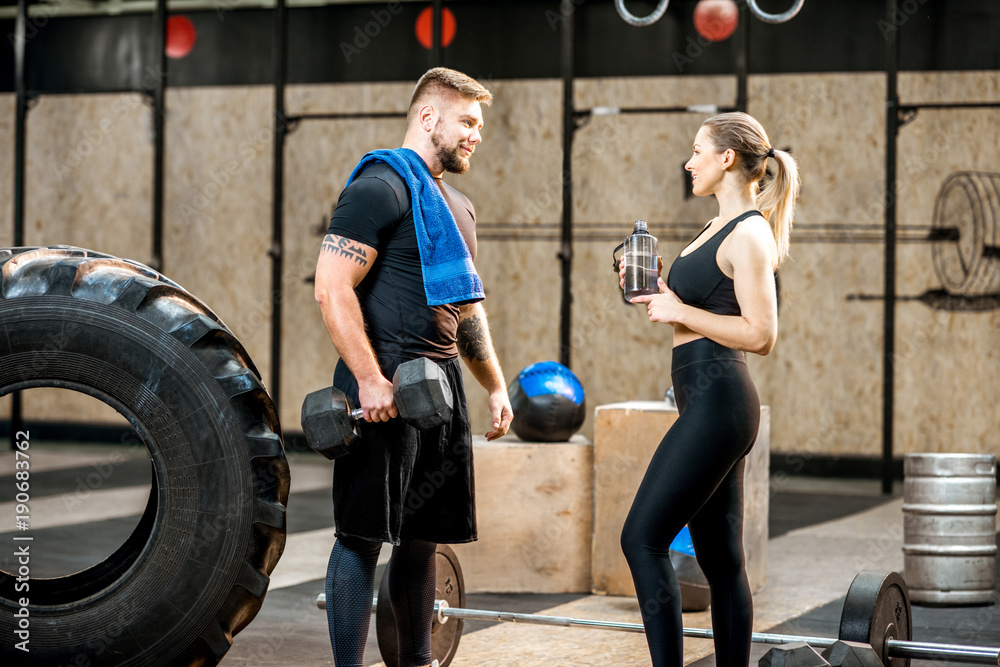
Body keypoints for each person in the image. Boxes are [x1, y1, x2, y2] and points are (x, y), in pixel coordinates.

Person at [314, 67, 513, 667]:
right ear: (429, 118)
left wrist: (495, 384)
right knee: (361, 534)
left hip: (440, 384)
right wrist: (371, 379)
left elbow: (466, 311)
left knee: (424, 537)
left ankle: (417, 661)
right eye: (469, 122)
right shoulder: (379, 187)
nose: (477, 135)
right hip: (383, 379)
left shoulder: (460, 208)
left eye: (480, 125)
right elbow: (331, 288)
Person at [619, 111, 799, 667]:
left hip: (721, 401)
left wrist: (680, 307)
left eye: (698, 150)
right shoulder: (713, 229)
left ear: (726, 159)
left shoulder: (749, 234)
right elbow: (686, 311)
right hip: (705, 399)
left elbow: (761, 335)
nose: (688, 161)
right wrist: (648, 287)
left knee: (642, 540)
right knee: (723, 564)